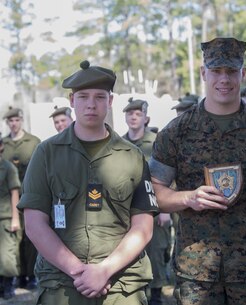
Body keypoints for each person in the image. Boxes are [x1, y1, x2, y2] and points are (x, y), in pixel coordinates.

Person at [149, 37, 246, 304]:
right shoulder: (176, 133)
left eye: (231, 71)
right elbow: (153, 194)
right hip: (197, 273)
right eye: (216, 71)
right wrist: (187, 198)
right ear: (203, 73)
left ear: (243, 73)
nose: (224, 79)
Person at [17, 60, 159, 304]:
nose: (91, 104)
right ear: (72, 101)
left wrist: (104, 270)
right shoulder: (46, 153)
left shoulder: (132, 156)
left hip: (121, 283)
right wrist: (80, 271)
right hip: (62, 283)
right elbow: (34, 225)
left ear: (110, 101)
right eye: (83, 97)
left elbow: (143, 227)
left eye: (99, 97)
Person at [122, 97, 172, 305]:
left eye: (138, 114)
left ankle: (157, 296)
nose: (133, 117)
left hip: (155, 206)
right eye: (130, 114)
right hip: (128, 208)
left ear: (145, 117)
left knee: (157, 249)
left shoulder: (156, 141)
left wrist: (166, 208)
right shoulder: (119, 143)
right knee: (131, 251)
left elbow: (169, 175)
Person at [2, 107, 41, 290]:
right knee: (13, 238)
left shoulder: (33, 142)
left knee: (31, 237)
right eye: (10, 121)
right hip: (10, 198)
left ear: (21, 120)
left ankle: (31, 274)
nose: (14, 124)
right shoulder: (4, 143)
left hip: (31, 194)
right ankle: (17, 274)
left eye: (16, 120)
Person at [0, 135, 21, 300]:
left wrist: (15, 218)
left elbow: (15, 193)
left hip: (5, 217)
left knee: (7, 255)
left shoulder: (7, 168)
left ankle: (8, 285)